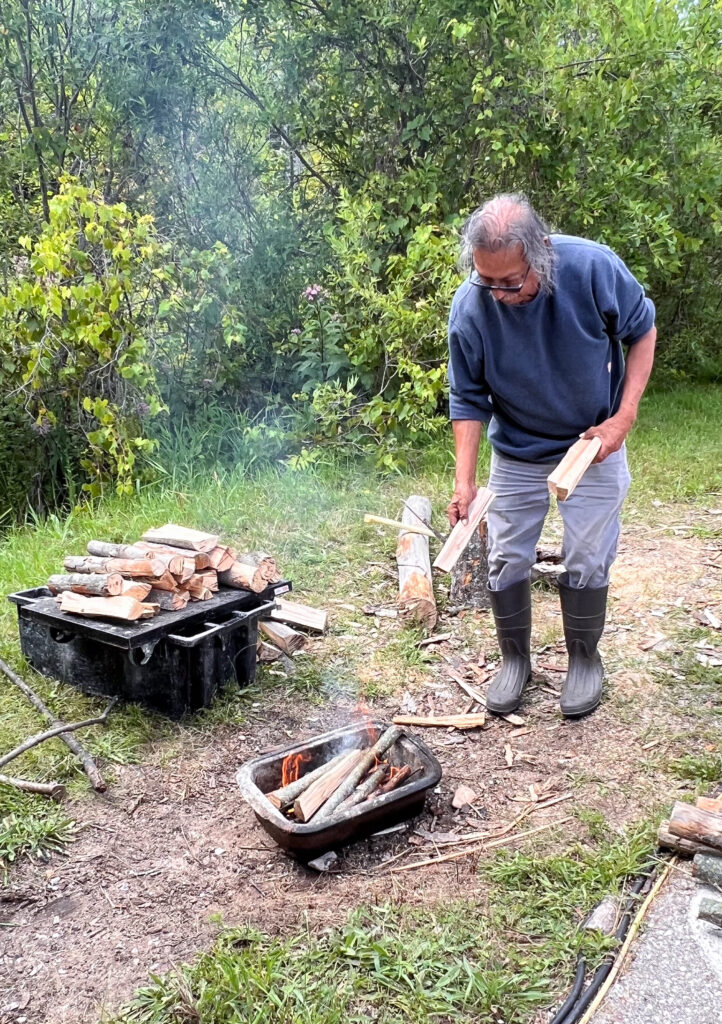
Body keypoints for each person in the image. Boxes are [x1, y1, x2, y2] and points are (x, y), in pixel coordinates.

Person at [446, 193, 656, 718]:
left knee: (588, 554)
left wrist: (622, 418)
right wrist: (464, 482)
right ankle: (514, 660)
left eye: (510, 282)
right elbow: (468, 397)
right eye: (485, 280)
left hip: (591, 446)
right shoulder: (472, 306)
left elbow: (643, 331)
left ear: (540, 253)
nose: (497, 294)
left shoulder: (592, 268)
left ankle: (584, 660)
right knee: (505, 556)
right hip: (517, 446)